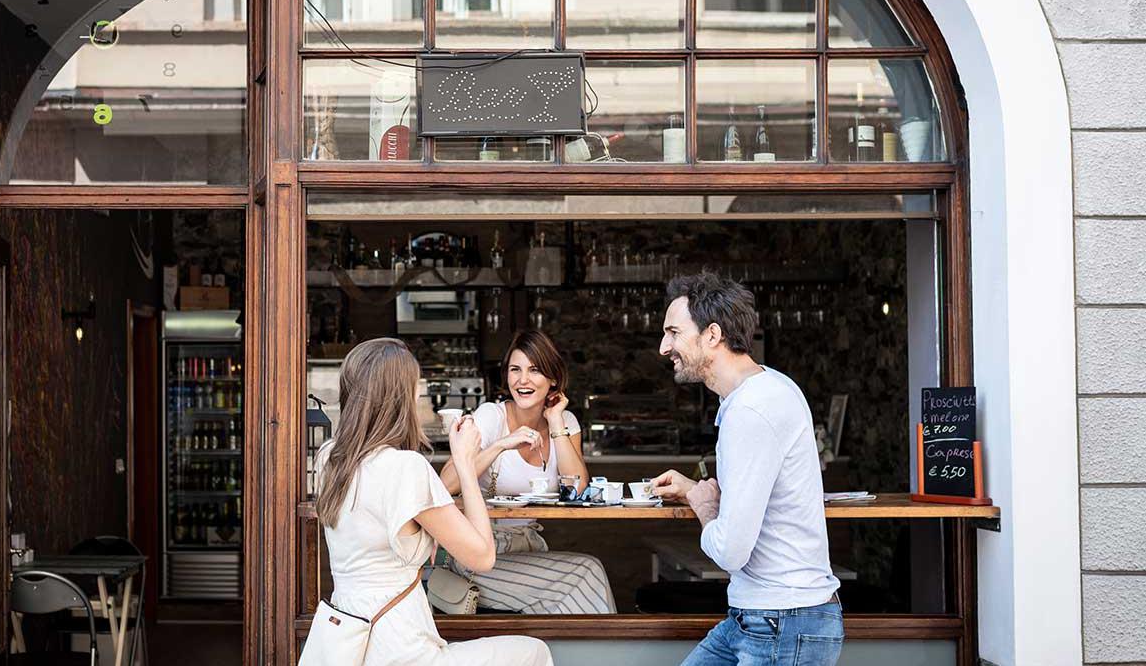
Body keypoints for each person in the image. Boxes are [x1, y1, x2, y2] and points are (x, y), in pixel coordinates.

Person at [313, 338, 553, 666]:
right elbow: (482, 556)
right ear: (402, 397)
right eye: (417, 388)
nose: (420, 397)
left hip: (349, 643)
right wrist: (465, 463)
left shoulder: (330, 458)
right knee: (534, 651)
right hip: (402, 650)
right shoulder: (405, 467)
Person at [650, 274, 843, 665]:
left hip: (784, 622)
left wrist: (705, 509)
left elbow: (731, 551)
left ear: (712, 335)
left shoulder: (752, 410)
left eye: (673, 332)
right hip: (757, 619)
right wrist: (693, 489)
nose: (663, 347)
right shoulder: (764, 390)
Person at [437, 330, 616, 614]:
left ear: (553, 378)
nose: (522, 380)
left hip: (530, 549)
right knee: (585, 573)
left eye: (534, 370)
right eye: (515, 370)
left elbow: (578, 489)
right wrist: (500, 445)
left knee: (576, 586)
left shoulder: (566, 421)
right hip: (480, 555)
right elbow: (444, 484)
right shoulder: (491, 417)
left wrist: (555, 422)